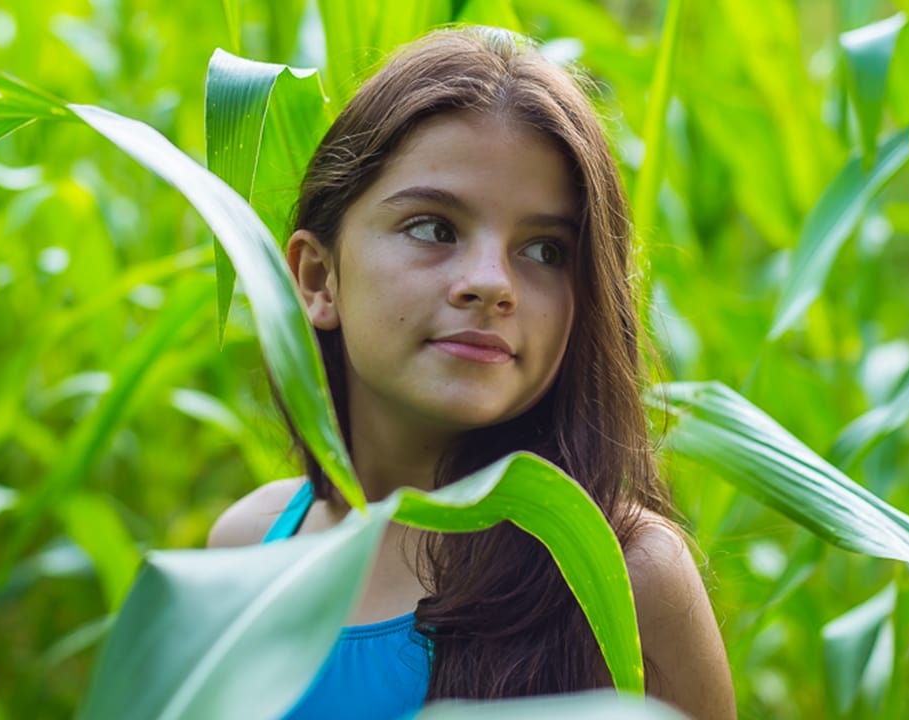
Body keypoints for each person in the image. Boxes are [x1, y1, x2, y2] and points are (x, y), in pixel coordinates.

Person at [208, 26, 735, 720]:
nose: (492, 284)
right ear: (317, 278)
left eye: (546, 250)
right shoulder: (244, 552)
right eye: (433, 228)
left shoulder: (625, 573)